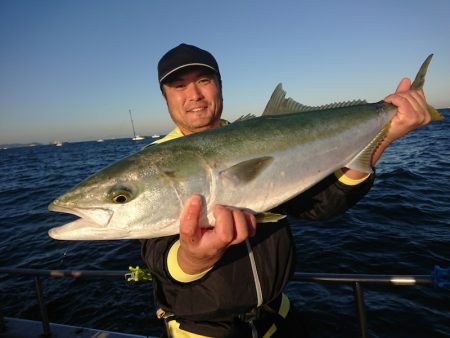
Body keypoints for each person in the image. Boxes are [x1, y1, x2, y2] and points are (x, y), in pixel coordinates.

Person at [141, 43, 431, 338]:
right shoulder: (152, 164)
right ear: (165, 97)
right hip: (203, 332)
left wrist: (385, 134)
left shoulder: (257, 133)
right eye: (178, 86)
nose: (194, 95)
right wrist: (194, 257)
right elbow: (157, 254)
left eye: (204, 81)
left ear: (219, 85)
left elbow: (320, 205)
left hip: (280, 318)